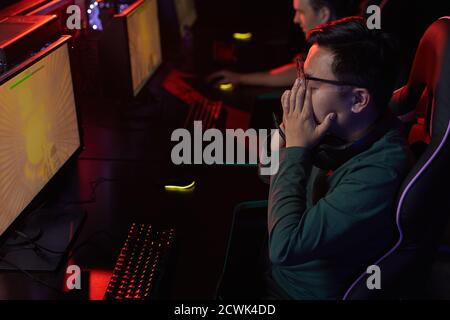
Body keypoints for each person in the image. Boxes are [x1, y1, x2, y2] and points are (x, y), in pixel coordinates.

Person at [266, 17, 412, 299]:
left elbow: (283, 248)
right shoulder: (344, 134)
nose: (297, 91)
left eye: (311, 83)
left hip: (290, 292)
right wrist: (289, 140)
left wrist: (295, 148)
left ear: (358, 100)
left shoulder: (378, 172)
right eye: (301, 74)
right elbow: (266, 172)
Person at [208, 0, 364, 88]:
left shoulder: (335, 53)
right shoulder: (334, 43)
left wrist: (240, 78)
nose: (296, 19)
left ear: (324, 14)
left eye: (301, 12)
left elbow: (297, 72)